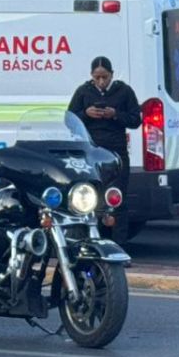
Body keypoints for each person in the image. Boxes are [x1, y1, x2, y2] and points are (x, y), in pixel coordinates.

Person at [68, 56, 142, 243]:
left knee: (117, 198)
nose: (101, 82)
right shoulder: (83, 92)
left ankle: (119, 245)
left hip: (116, 151)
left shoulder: (124, 91)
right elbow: (69, 120)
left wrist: (115, 114)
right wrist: (86, 114)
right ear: (91, 76)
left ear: (112, 75)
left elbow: (135, 120)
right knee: (87, 197)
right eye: (97, 77)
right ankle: (89, 242)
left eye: (105, 77)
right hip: (91, 150)